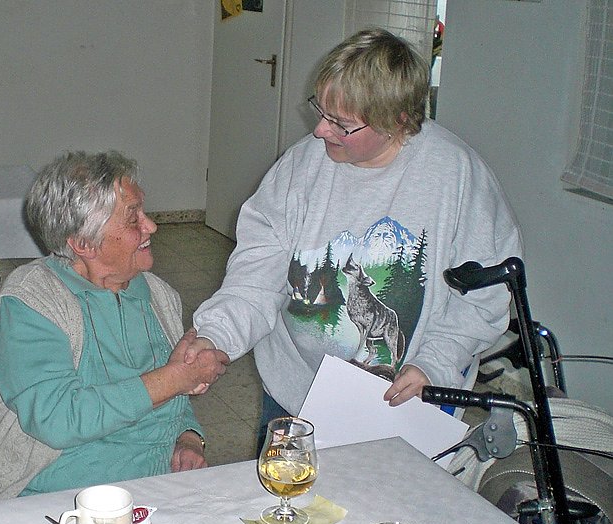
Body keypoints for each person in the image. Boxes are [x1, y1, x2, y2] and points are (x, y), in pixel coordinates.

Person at [186, 28, 523, 448]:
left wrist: (434, 365)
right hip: (295, 392)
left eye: (340, 124)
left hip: (402, 398)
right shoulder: (300, 168)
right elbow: (256, 276)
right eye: (321, 111)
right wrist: (216, 336)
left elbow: (484, 298)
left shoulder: (456, 176)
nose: (319, 131)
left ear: (398, 121)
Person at [0, 151, 229, 508]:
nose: (150, 226)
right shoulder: (33, 301)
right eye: (133, 217)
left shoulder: (158, 295)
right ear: (83, 243)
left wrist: (188, 437)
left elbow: (171, 398)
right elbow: (58, 420)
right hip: (54, 500)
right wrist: (174, 378)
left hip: (152, 491)